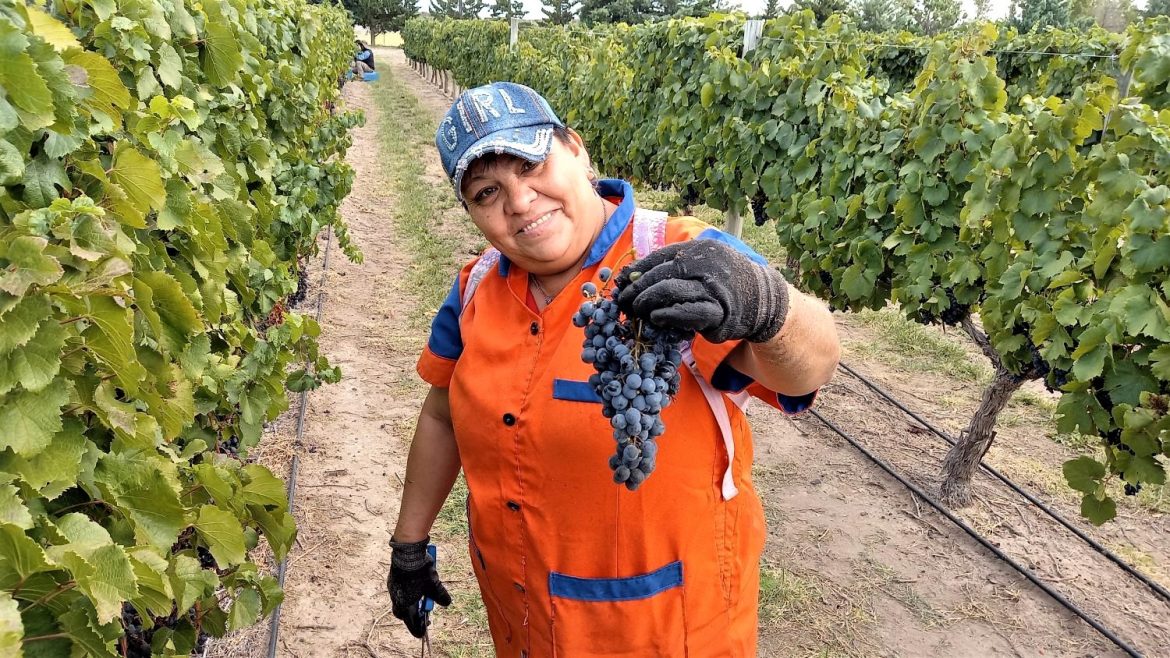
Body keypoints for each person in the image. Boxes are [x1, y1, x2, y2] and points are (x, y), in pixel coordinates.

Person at [386, 81, 841, 657]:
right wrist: (409, 544)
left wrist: (765, 306)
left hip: (663, 630)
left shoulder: (678, 257)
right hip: (522, 616)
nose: (520, 201)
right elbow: (443, 417)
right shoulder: (477, 286)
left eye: (531, 165)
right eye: (486, 191)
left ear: (576, 149)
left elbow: (811, 367)